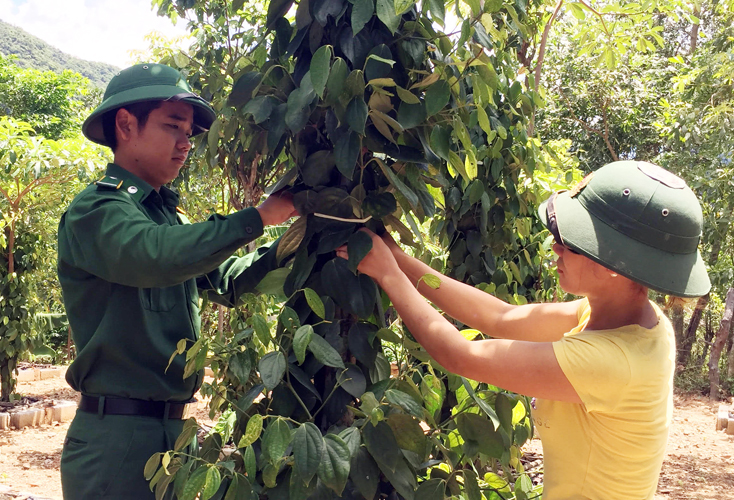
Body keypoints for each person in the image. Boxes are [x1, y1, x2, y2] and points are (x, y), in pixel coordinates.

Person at [337, 160, 710, 500]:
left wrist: (388, 274)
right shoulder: (629, 316)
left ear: (614, 264)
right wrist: (399, 259)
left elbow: (459, 355)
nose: (555, 249)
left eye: (569, 243)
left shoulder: (612, 361)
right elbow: (500, 317)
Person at [57, 63, 297, 499]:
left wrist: (289, 246)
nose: (186, 144)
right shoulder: (96, 211)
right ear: (126, 125)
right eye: (173, 128)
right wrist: (258, 217)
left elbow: (227, 282)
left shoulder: (166, 217)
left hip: (172, 436)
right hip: (117, 440)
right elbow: (155, 254)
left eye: (190, 133)